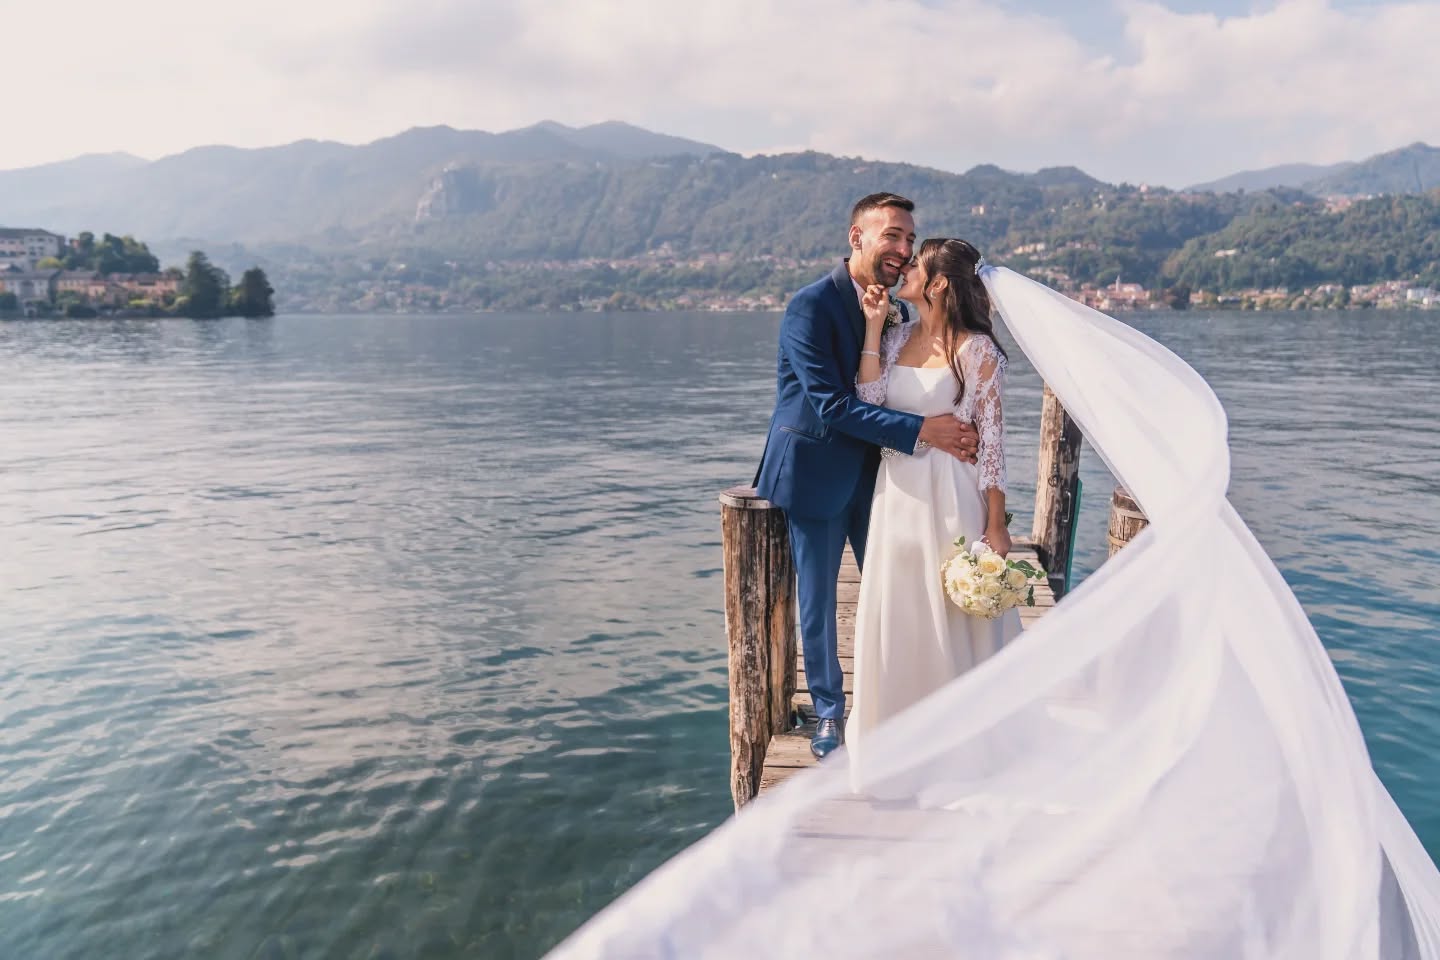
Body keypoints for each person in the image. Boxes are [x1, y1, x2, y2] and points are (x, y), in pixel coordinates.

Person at [753, 194, 979, 759]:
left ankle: (900, 701)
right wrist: (924, 430)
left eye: (909, 239)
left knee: (894, 586)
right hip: (817, 468)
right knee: (819, 600)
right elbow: (831, 404)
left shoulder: (897, 312)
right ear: (857, 237)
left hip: (880, 474)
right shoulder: (810, 306)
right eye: (892, 237)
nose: (903, 250)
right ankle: (830, 714)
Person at [846, 237, 1023, 779]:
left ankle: (964, 746)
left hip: (951, 495)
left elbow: (991, 444)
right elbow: (869, 402)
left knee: (951, 611)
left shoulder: (976, 351)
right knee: (899, 606)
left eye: (915, 264)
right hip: (896, 493)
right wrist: (874, 327)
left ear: (938, 283)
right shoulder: (895, 335)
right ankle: (893, 741)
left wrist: (996, 523)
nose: (904, 269)